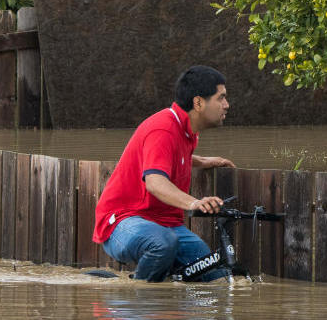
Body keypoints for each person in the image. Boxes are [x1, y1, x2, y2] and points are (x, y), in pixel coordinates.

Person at [92, 65, 236, 281]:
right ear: (198, 103)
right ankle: (140, 296)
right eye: (221, 98)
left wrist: (203, 161)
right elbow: (155, 182)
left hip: (165, 225)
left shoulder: (186, 131)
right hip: (123, 221)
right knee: (162, 243)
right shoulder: (163, 129)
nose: (227, 105)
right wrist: (194, 203)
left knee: (211, 273)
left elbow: (166, 156)